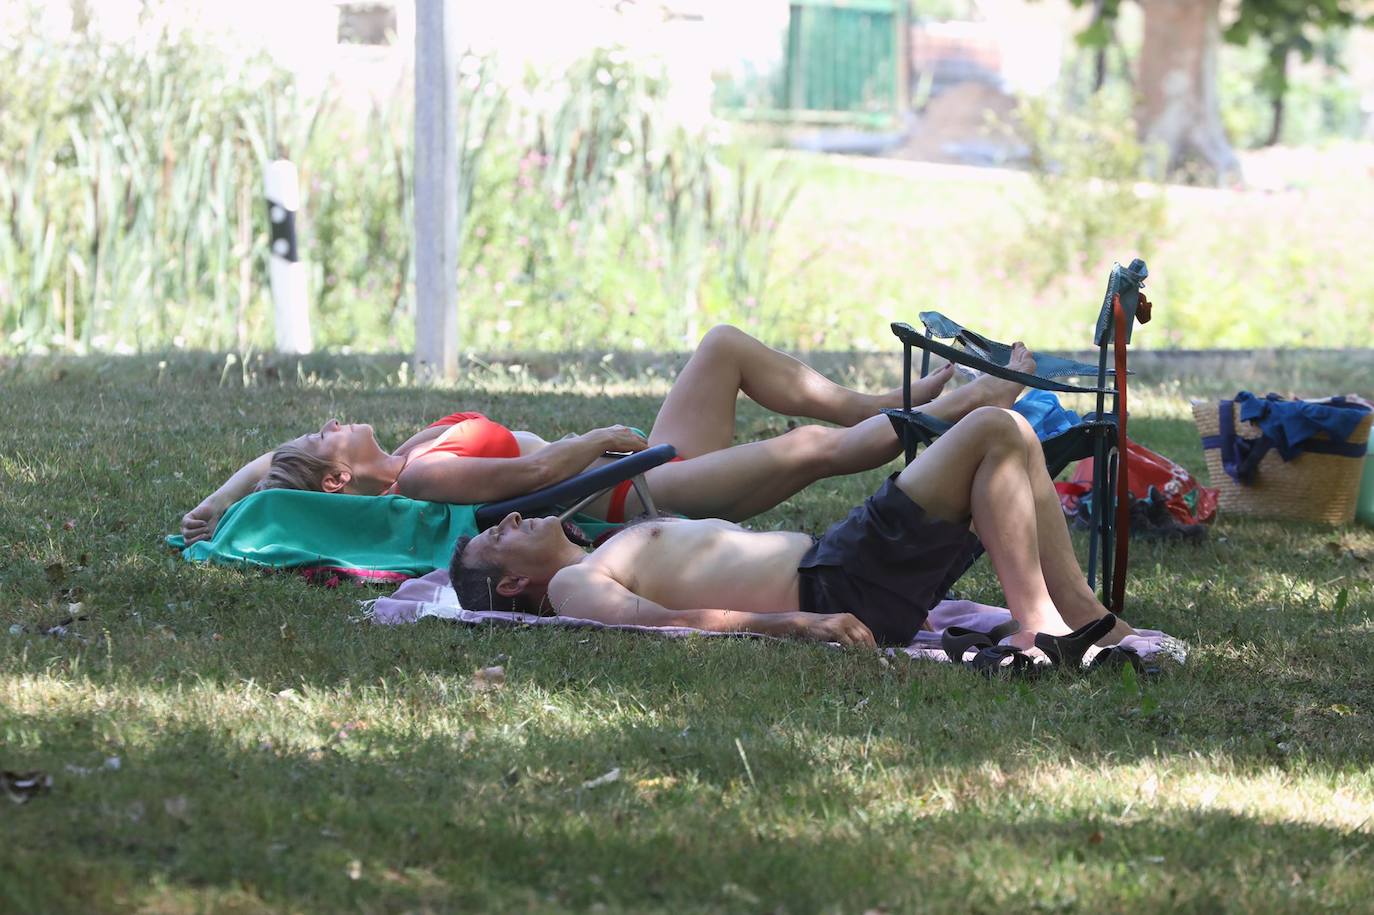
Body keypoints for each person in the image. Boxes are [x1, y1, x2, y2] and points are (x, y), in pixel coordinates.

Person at [180, 325, 1024, 546]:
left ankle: (892, 395)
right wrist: (595, 437)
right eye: (325, 436)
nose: (332, 422)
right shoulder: (424, 480)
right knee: (814, 453)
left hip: (633, 464)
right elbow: (537, 473)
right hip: (634, 493)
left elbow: (270, 464)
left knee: (723, 346)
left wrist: (215, 502)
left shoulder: (413, 448)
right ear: (338, 482)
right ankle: (976, 405)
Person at [450, 396, 1139, 653]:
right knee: (993, 427)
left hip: (844, 570)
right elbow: (667, 622)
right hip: (835, 584)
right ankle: (1044, 625)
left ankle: (1077, 616)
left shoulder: (593, 556)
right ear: (513, 583)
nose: (511, 517)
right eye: (498, 534)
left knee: (1011, 438)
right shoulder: (574, 586)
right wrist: (799, 625)